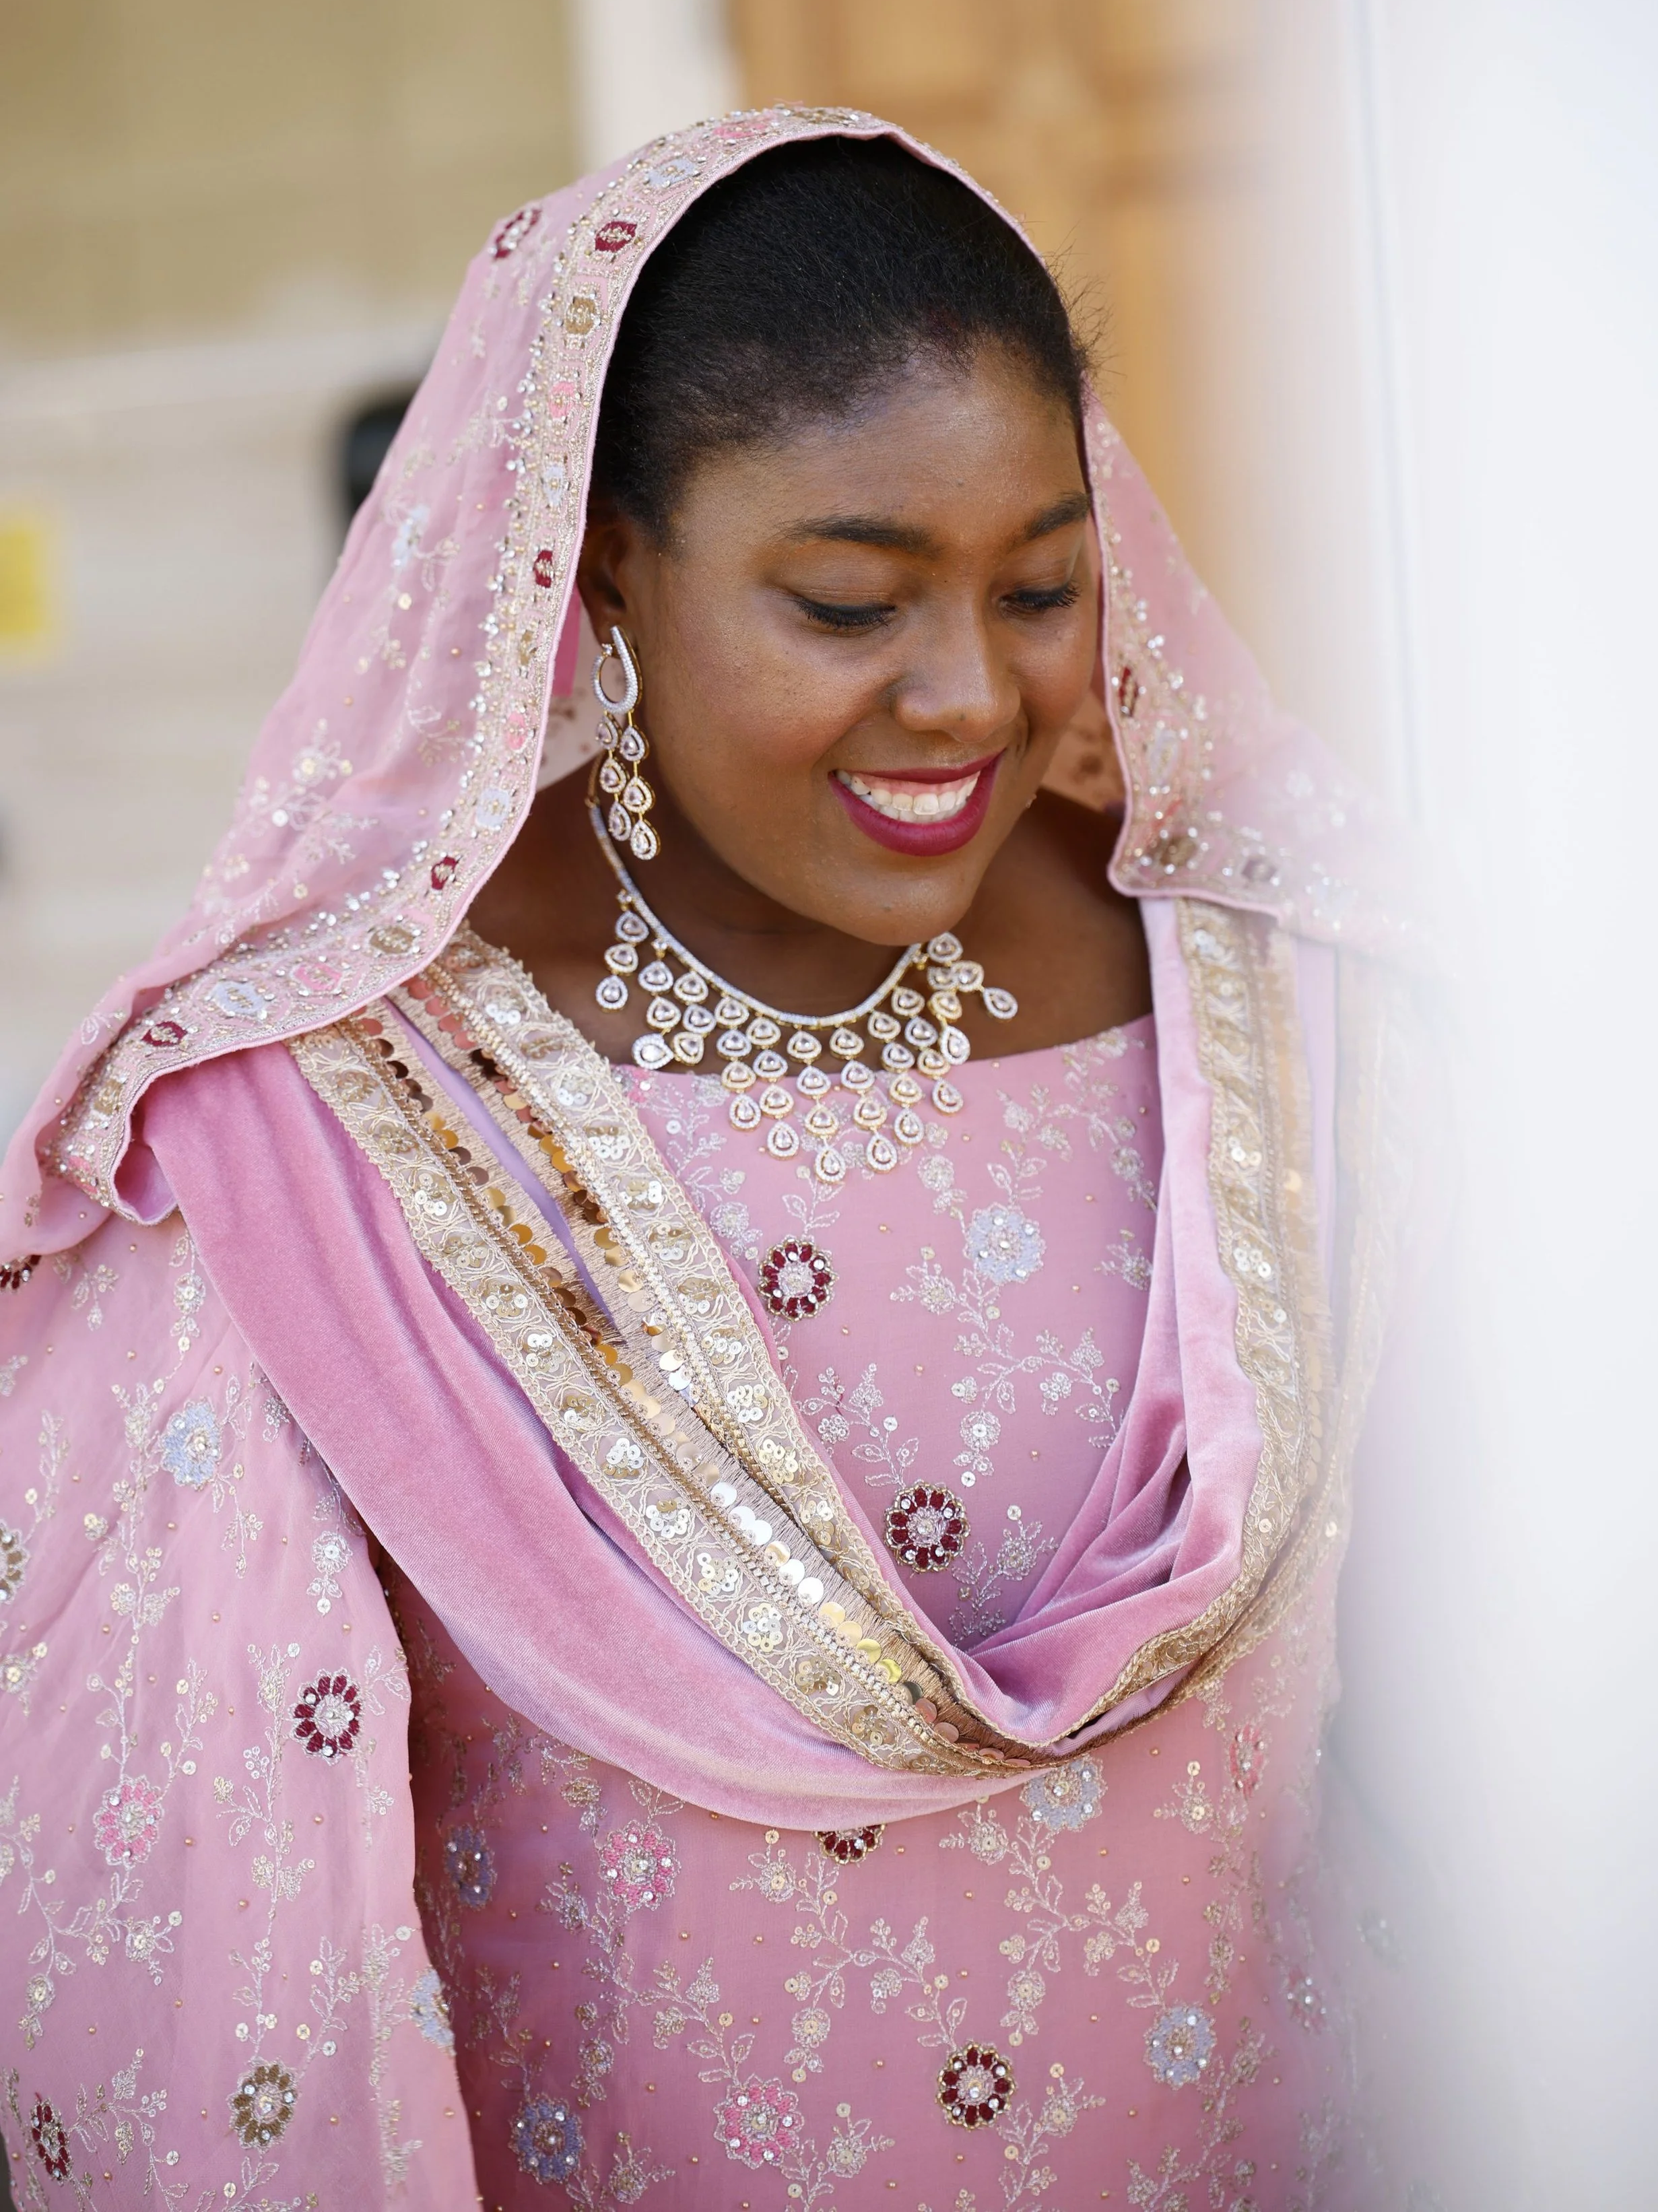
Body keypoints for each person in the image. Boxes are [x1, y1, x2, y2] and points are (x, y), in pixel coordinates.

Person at [0, 113, 1420, 2207]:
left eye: (1041, 582)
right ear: (598, 576)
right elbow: (234, 1951)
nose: (970, 695)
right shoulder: (303, 1136)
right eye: (848, 599)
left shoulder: (1276, 1002)